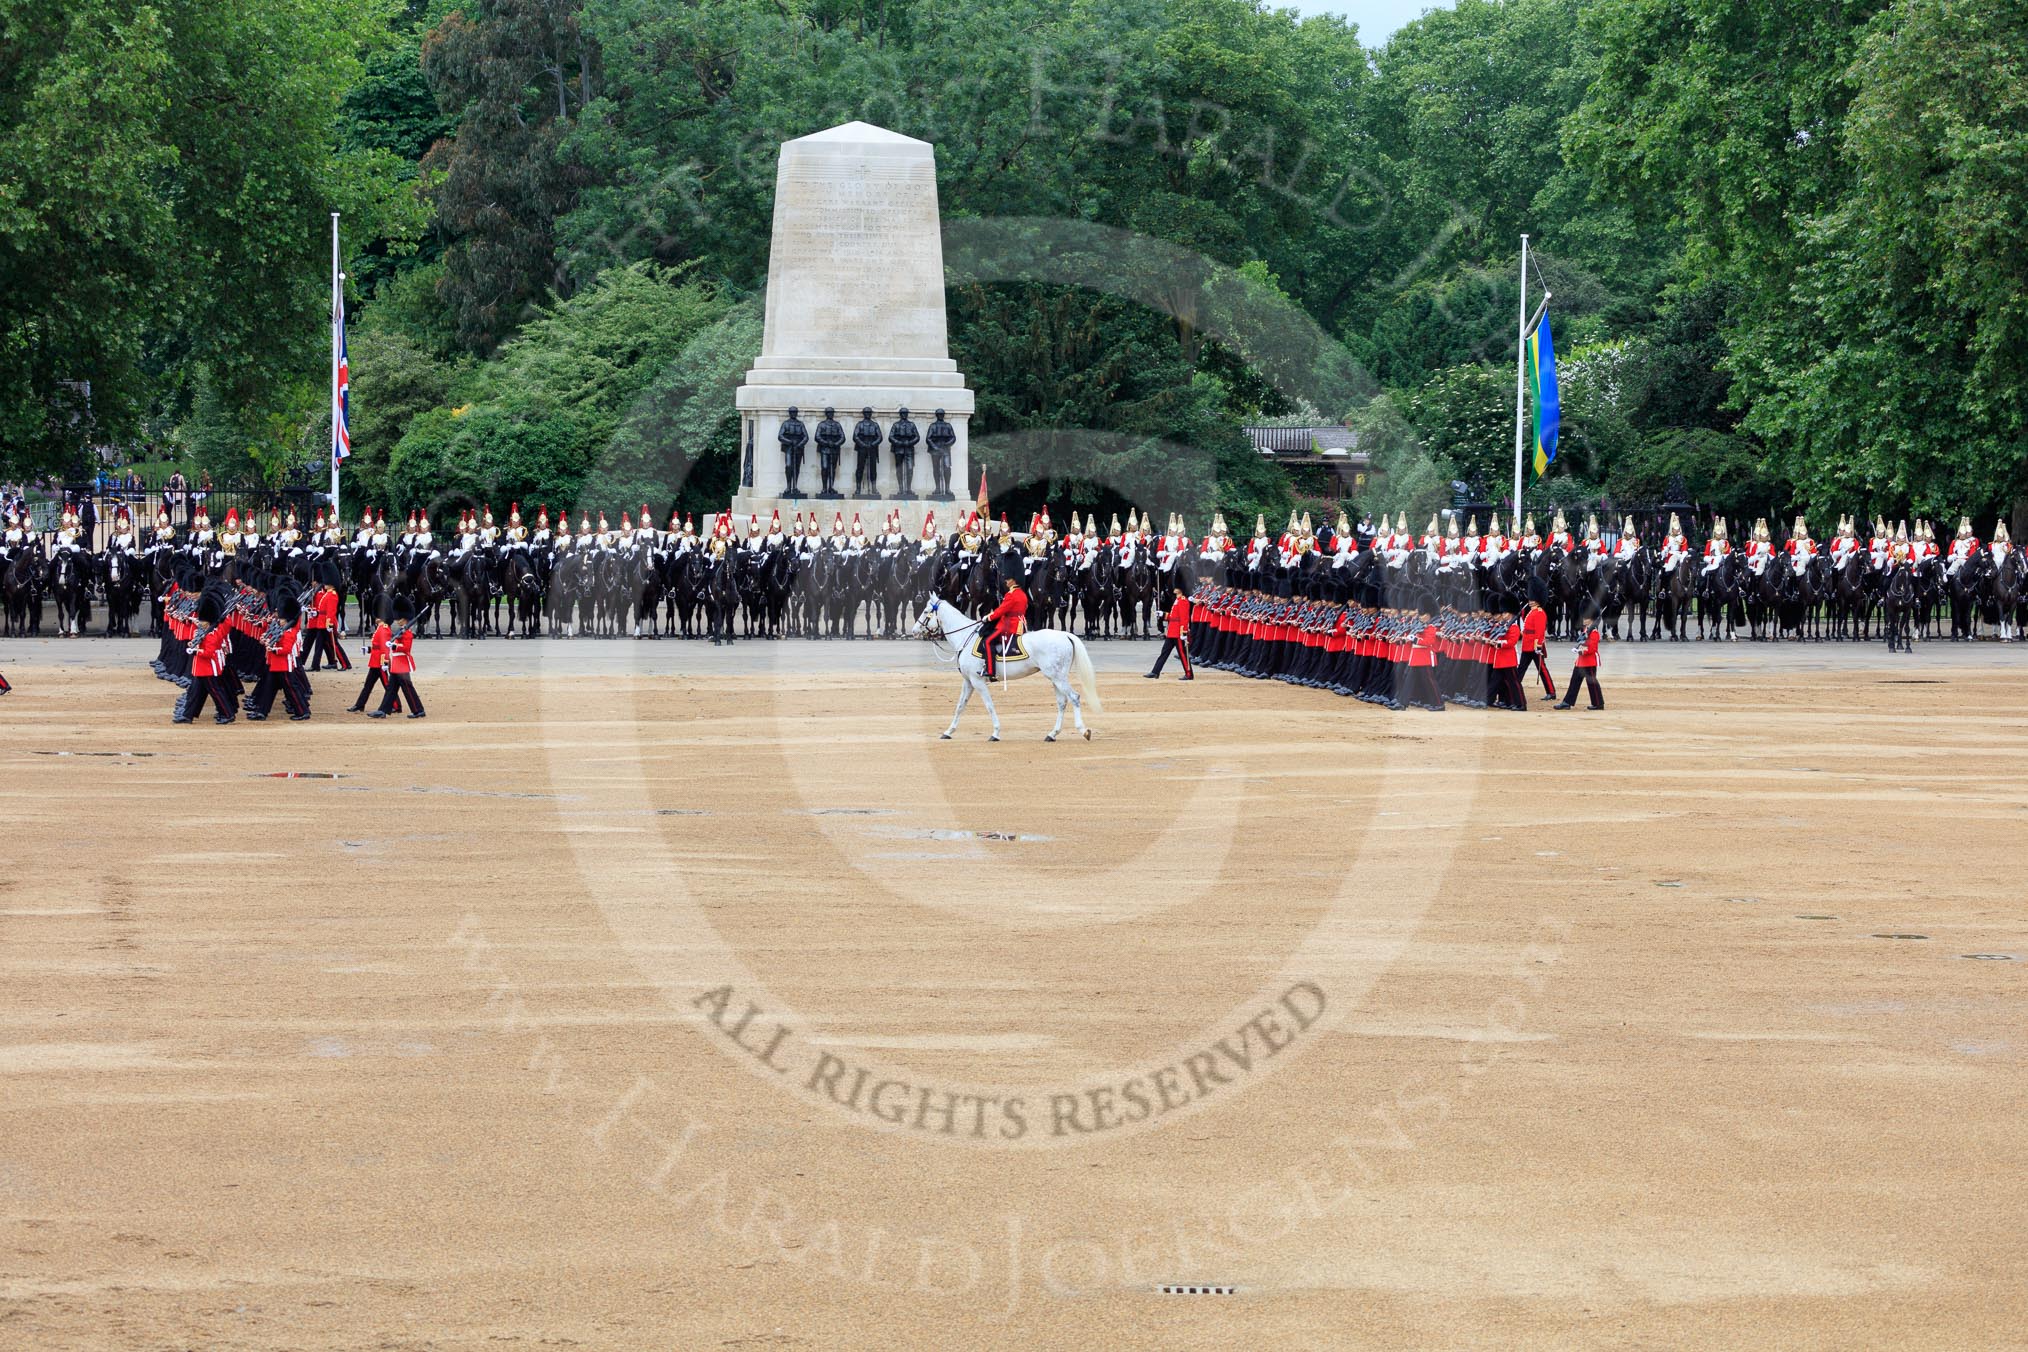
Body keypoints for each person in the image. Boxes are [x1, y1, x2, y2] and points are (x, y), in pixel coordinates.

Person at [370, 601, 426, 718]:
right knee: (391, 689)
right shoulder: (401, 631)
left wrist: (394, 646)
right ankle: (383, 710)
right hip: (396, 664)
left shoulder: (407, 633)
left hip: (402, 664)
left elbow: (406, 649)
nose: (397, 620)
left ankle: (418, 710)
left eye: (399, 618)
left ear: (405, 619)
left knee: (407, 688)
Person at [980, 575, 1028, 680]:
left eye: (1008, 579)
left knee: (988, 641)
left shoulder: (1010, 595)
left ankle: (990, 670)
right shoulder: (1022, 594)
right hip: (1020, 624)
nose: (1006, 581)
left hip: (1009, 624)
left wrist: (988, 617)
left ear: (1014, 580)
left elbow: (1001, 611)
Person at [1555, 613, 1605, 711]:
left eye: (1586, 617)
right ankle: (1567, 702)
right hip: (1581, 661)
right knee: (1574, 681)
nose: (1583, 619)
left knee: (1592, 683)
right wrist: (1577, 648)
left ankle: (1598, 703)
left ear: (1591, 620)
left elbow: (1592, 648)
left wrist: (1582, 651)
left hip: (1589, 661)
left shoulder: (1594, 632)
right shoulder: (1586, 630)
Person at [1147, 586, 1195, 680]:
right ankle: (1155, 672)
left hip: (1178, 632)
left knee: (1182, 654)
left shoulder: (1183, 601)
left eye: (1177, 587)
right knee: (1164, 653)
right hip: (1172, 632)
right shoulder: (1177, 600)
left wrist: (1184, 632)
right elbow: (1173, 616)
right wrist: (1163, 614)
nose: (1174, 588)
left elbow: (1184, 619)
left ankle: (1189, 674)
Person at [1517, 600, 1556, 699]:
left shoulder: (1539, 612)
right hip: (1527, 645)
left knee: (1541, 668)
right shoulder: (1531, 611)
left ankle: (1551, 692)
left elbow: (1539, 630)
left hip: (1535, 646)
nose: (1530, 602)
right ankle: (1514, 689)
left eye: (1532, 600)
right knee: (1521, 668)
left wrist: (1538, 645)